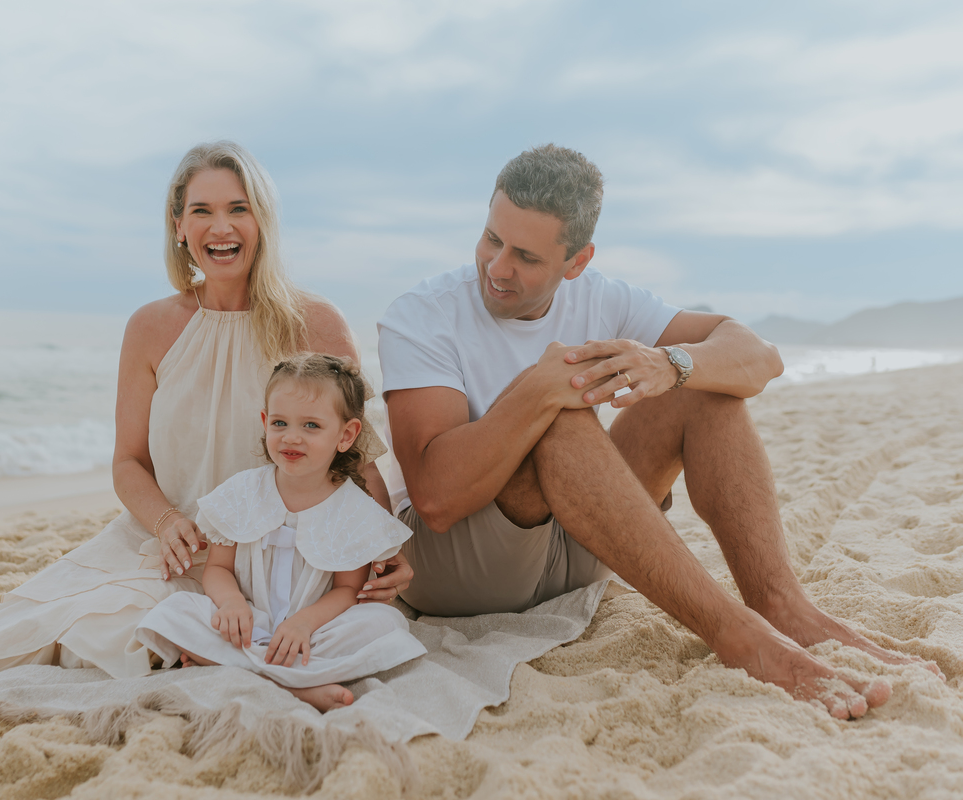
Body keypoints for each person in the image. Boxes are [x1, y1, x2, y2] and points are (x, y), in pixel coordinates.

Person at [378, 144, 940, 721]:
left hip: (573, 548)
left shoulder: (603, 297)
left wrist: (671, 365)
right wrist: (537, 390)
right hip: (458, 569)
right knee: (560, 417)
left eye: (526, 255)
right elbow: (436, 498)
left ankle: (780, 605)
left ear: (576, 262)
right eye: (492, 239)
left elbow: (758, 357)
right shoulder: (422, 315)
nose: (497, 267)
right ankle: (738, 636)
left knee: (702, 391)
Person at [0, 141, 412, 680]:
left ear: (262, 221)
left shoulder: (316, 323)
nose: (220, 228)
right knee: (35, 643)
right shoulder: (150, 327)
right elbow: (128, 461)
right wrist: (166, 522)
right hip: (180, 547)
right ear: (179, 226)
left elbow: (359, 462)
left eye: (238, 209)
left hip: (292, 561)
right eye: (201, 211)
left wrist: (382, 551)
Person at [135, 353, 426, 712]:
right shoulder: (241, 493)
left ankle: (249, 673)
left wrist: (304, 623)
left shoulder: (354, 511)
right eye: (280, 423)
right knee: (175, 611)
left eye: (311, 426)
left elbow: (348, 590)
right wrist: (231, 603)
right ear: (264, 422)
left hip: (315, 631)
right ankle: (297, 687)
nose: (292, 437)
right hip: (246, 621)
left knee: (384, 623)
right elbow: (218, 568)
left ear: (346, 435)